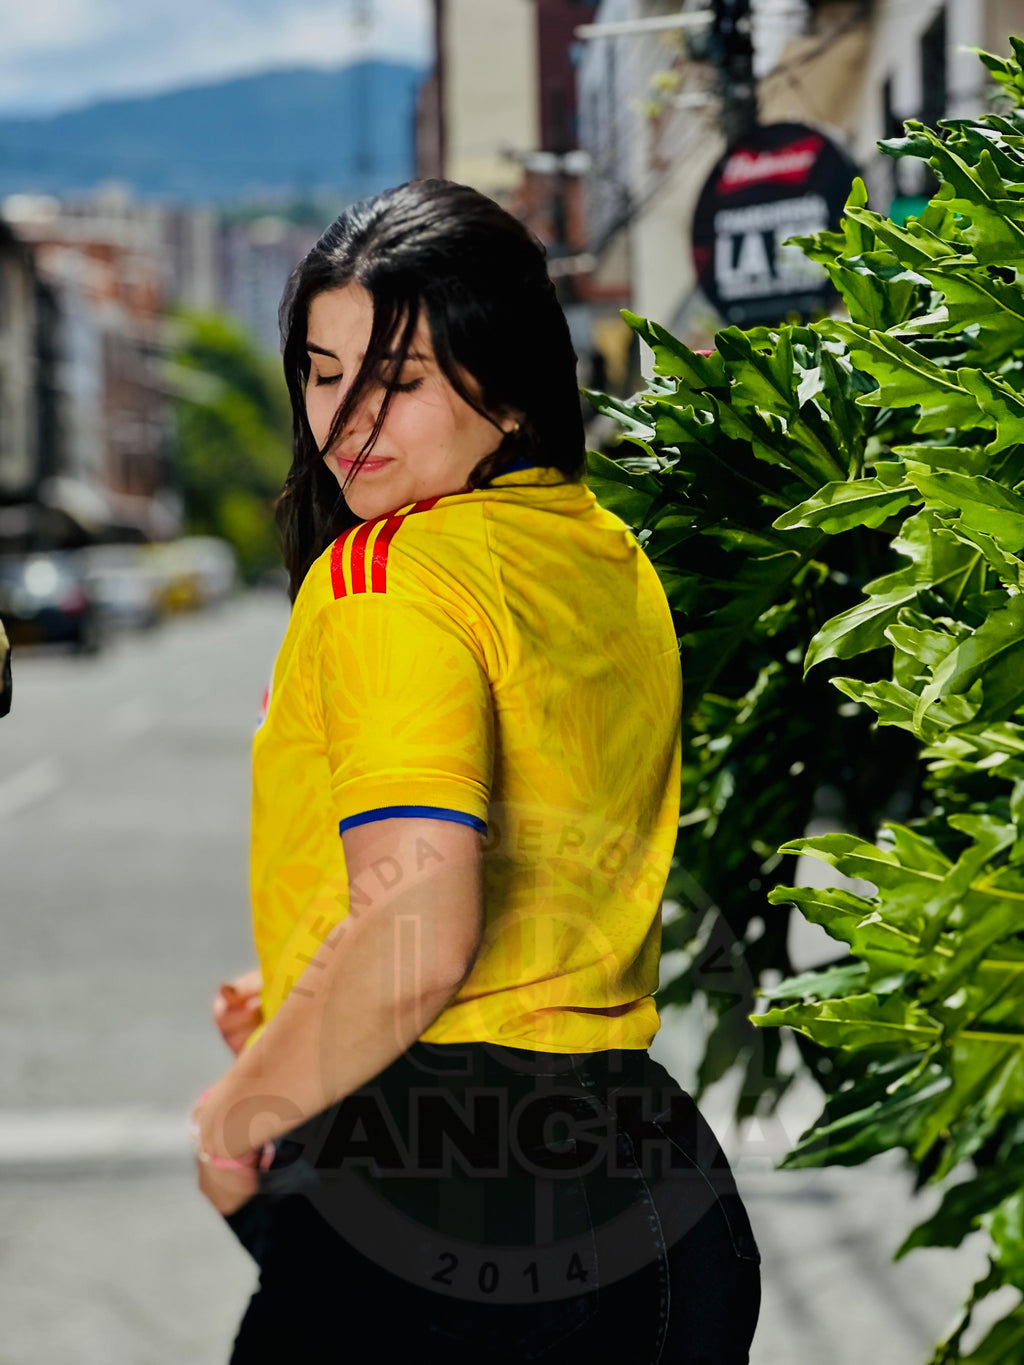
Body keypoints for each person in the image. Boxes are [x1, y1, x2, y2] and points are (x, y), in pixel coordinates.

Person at [191, 178, 761, 1363]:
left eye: (395, 379)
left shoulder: (391, 575)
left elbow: (417, 926)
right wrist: (308, 987)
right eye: (320, 369)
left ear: (503, 384)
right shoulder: (600, 552)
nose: (344, 420)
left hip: (444, 1190)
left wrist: (245, 1107)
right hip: (655, 1195)